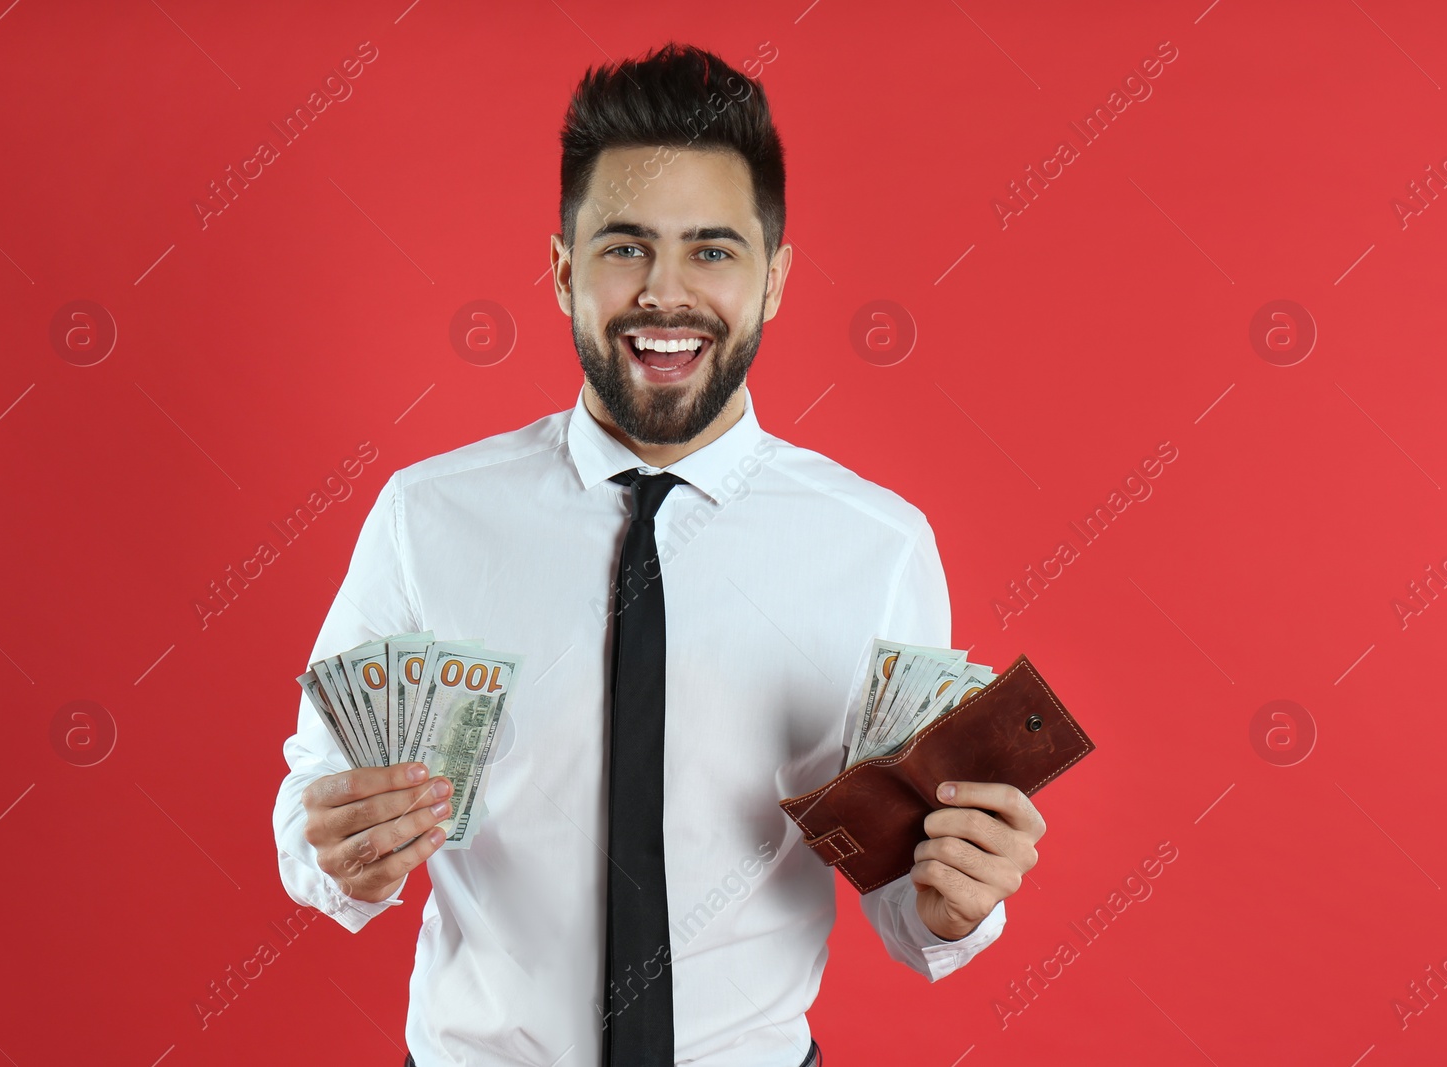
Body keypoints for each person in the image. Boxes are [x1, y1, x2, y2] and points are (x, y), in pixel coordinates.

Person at [272, 41, 1044, 1067]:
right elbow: (314, 799)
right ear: (562, 271)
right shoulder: (428, 515)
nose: (663, 293)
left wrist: (957, 898)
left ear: (773, 280)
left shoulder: (879, 545)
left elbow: (908, 902)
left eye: (713, 251)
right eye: (625, 247)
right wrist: (336, 852)